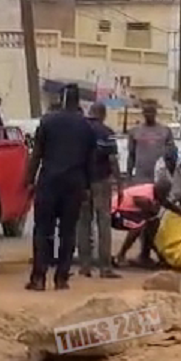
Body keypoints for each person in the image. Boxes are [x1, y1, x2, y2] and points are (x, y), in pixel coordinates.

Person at [24, 84, 95, 291]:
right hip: (74, 184)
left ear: (62, 99)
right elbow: (90, 161)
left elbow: (36, 153)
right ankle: (61, 278)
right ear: (78, 101)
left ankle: (38, 278)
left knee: (43, 231)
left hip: (49, 182)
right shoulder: (86, 126)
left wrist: (29, 180)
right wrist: (88, 187)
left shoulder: (48, 121)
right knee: (68, 232)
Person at [76, 103, 124, 279]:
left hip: (82, 182)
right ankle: (105, 267)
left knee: (83, 223)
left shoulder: (80, 131)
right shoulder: (106, 132)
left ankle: (85, 266)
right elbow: (112, 159)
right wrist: (119, 184)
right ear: (103, 115)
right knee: (103, 222)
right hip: (101, 181)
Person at [127, 102, 175, 184]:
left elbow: (171, 154)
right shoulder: (135, 131)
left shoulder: (165, 130)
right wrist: (129, 174)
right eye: (146, 112)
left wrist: (169, 172)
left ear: (155, 113)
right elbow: (131, 155)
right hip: (141, 176)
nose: (149, 114)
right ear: (143, 113)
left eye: (151, 112)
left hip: (159, 176)